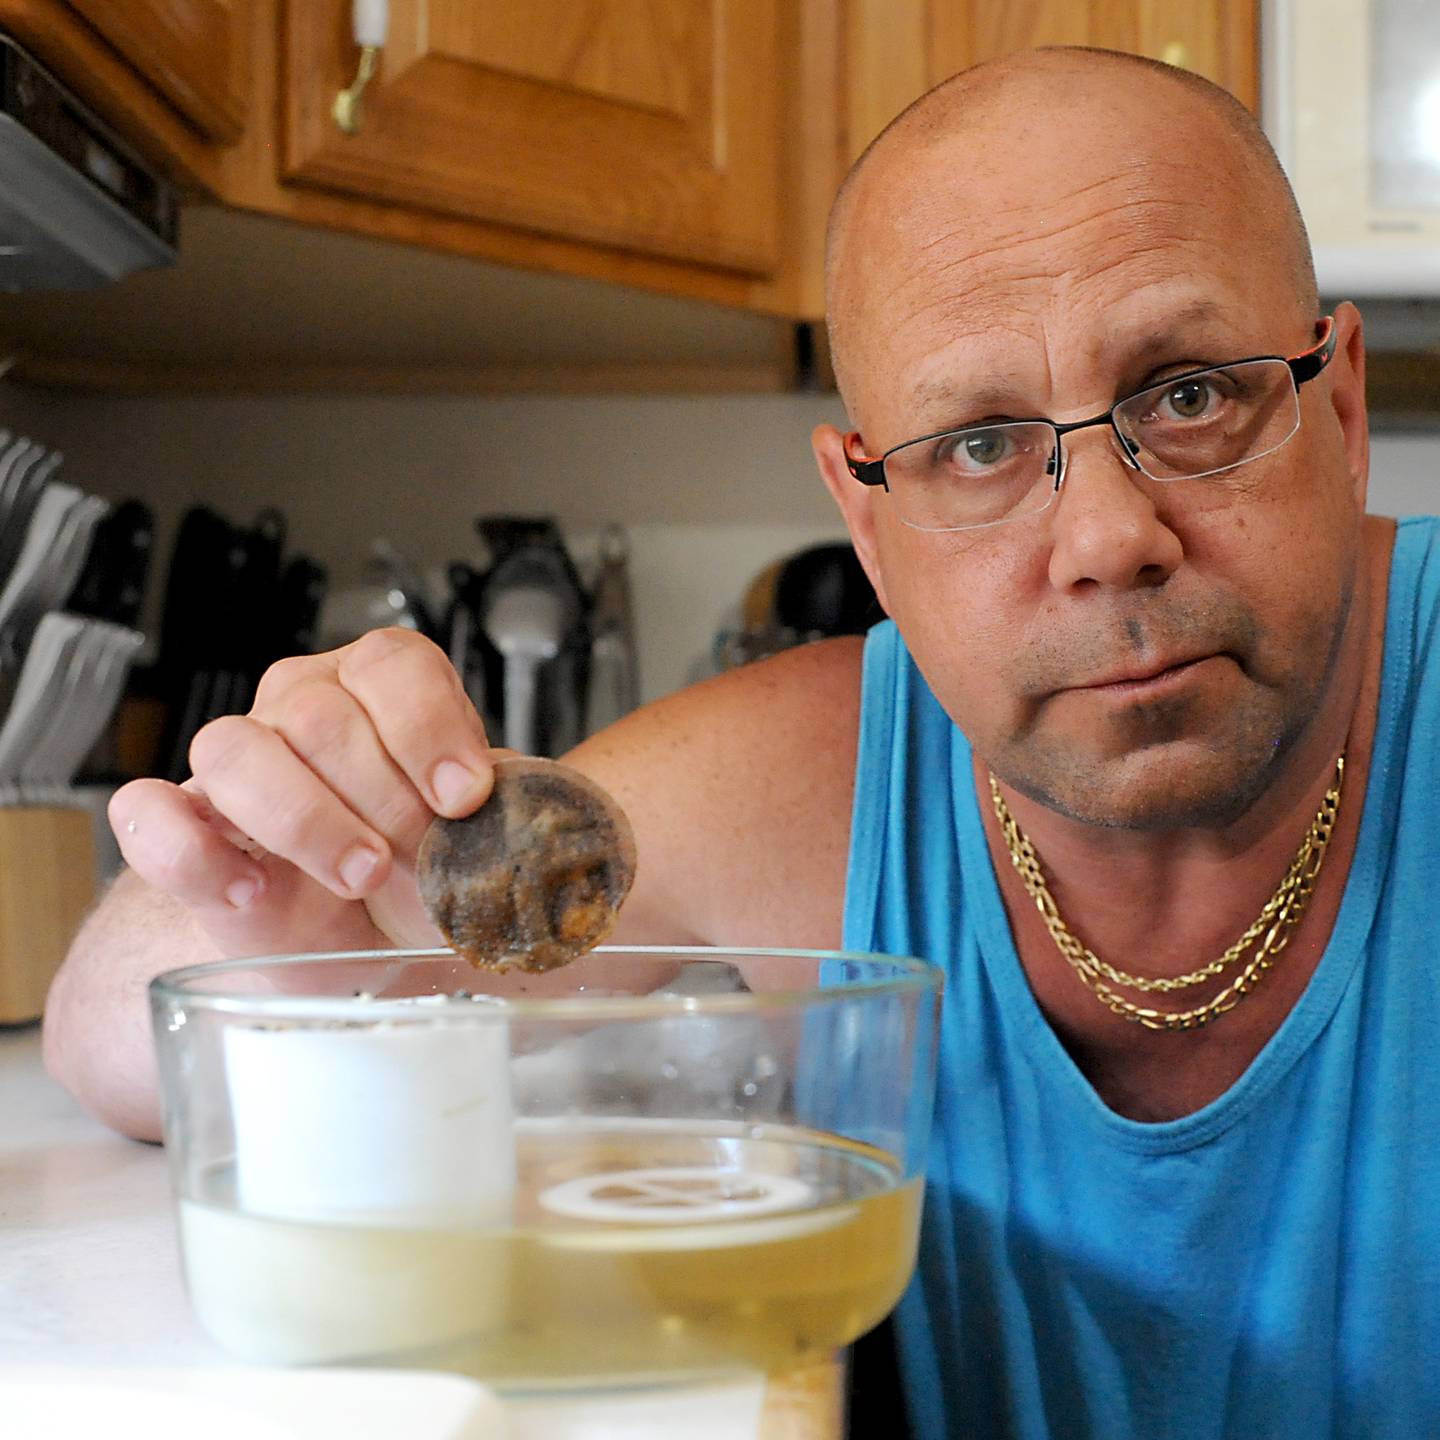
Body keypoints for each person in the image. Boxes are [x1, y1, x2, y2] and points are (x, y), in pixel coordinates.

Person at [44, 45, 1440, 1438]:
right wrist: (290, 886)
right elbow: (113, 1032)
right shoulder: (810, 784)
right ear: (868, 524)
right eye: (978, 444)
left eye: (1191, 393)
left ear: (1342, 405)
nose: (1108, 539)